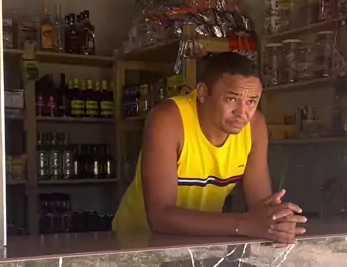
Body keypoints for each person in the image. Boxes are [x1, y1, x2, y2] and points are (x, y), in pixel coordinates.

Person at [112, 52, 306, 243]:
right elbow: (160, 217)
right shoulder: (168, 120)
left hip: (203, 241)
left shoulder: (254, 126)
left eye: (251, 102)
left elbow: (261, 205)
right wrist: (244, 224)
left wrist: (276, 221)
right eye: (231, 99)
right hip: (136, 241)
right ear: (203, 93)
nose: (242, 112)